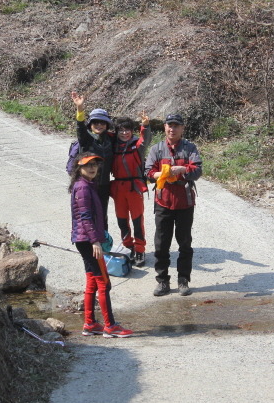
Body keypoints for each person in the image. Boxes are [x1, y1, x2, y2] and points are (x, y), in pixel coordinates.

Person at [70, 152, 133, 338]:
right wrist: (95, 241)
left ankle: (90, 324)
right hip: (88, 241)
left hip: (84, 240)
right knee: (104, 283)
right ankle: (110, 326)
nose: (92, 168)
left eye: (95, 164)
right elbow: (85, 217)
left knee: (92, 281)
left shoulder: (85, 184)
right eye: (88, 165)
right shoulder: (83, 187)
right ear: (79, 168)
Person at [145, 113, 203, 297]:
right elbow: (148, 172)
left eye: (176, 126)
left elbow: (197, 170)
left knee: (185, 244)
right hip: (163, 202)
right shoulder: (156, 149)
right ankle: (162, 281)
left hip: (185, 203)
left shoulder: (190, 148)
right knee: (161, 244)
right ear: (165, 127)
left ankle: (183, 280)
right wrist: (161, 174)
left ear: (182, 128)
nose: (172, 129)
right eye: (169, 125)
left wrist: (183, 169)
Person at [110, 113, 151, 266]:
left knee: (137, 220)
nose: (124, 133)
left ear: (132, 131)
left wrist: (145, 126)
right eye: (121, 130)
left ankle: (140, 250)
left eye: (127, 130)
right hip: (118, 188)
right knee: (122, 220)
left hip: (134, 188)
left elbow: (145, 140)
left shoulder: (137, 145)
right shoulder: (113, 146)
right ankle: (129, 247)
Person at [71, 91, 113, 230]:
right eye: (95, 122)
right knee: (87, 215)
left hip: (104, 185)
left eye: (102, 122)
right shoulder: (86, 139)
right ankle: (87, 240)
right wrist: (80, 108)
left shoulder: (110, 139)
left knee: (102, 216)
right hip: (87, 184)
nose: (99, 125)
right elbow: (80, 127)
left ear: (107, 124)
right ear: (90, 124)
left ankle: (103, 241)